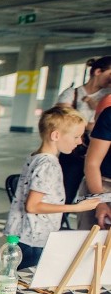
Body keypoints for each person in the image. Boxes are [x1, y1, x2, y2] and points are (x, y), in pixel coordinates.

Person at [6, 107, 100, 268]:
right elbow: (32, 205)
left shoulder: (36, 157)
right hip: (34, 238)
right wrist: (76, 208)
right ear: (56, 135)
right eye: (76, 136)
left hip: (24, 235)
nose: (80, 142)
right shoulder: (48, 164)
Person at [55, 56, 111, 211]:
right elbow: (60, 120)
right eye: (109, 75)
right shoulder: (72, 94)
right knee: (65, 193)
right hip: (75, 152)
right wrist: (90, 124)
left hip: (100, 153)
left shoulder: (107, 96)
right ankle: (58, 224)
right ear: (98, 72)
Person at [80, 94, 111, 230]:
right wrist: (99, 202)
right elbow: (92, 163)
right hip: (102, 185)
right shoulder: (109, 115)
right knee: (90, 246)